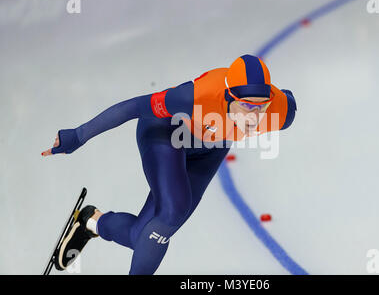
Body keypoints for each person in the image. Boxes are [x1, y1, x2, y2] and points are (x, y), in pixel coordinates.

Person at [41, 54, 298, 274]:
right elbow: (134, 107)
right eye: (246, 106)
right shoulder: (196, 96)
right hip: (165, 131)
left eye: (261, 107)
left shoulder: (279, 112)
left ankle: (91, 221)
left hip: (211, 149)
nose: (254, 117)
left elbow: (287, 100)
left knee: (144, 236)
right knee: (173, 210)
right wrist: (78, 135)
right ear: (229, 97)